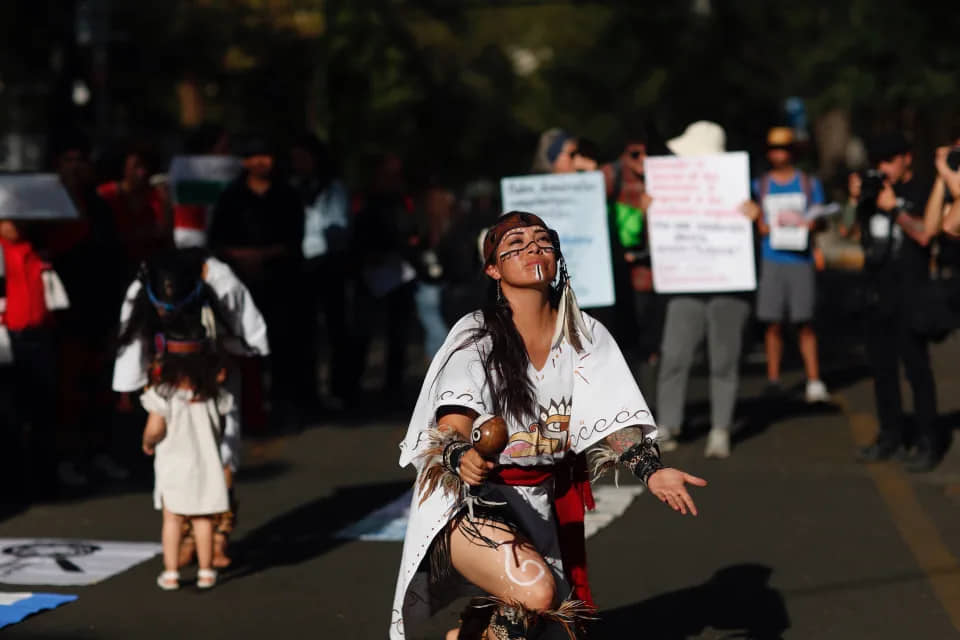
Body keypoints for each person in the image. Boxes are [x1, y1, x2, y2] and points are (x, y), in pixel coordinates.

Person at [391, 211, 707, 639]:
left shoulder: (583, 332)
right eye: (515, 245)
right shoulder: (476, 333)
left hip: (542, 500)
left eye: (542, 241)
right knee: (533, 591)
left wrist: (653, 469)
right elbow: (452, 420)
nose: (532, 249)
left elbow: (613, 415)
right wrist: (461, 456)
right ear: (493, 268)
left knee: (548, 629)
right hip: (471, 502)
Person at [114, 247, 269, 567]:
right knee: (175, 457)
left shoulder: (222, 282)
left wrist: (220, 363)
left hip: (215, 377)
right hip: (165, 379)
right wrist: (141, 395)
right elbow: (132, 349)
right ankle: (184, 532)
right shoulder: (140, 288)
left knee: (221, 453)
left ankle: (217, 535)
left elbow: (249, 340)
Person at [132, 257, 232, 591]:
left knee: (173, 518)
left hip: (175, 464)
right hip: (205, 463)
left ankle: (172, 572)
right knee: (203, 518)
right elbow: (222, 422)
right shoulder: (212, 393)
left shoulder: (164, 394)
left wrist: (147, 443)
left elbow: (155, 427)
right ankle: (206, 571)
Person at [655, 121, 752, 459]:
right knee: (674, 355)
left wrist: (753, 218)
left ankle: (720, 428)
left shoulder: (741, 187)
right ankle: (668, 423)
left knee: (724, 360)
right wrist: (655, 213)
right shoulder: (671, 188)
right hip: (685, 283)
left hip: (728, 285)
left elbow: (760, 233)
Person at [852, 133, 941, 471]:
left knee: (917, 371)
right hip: (876, 294)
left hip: (911, 293)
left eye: (889, 161)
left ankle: (927, 440)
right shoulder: (873, 192)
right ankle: (889, 436)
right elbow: (851, 233)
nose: (883, 169)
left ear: (906, 158)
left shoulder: (921, 190)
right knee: (882, 372)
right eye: (878, 163)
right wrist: (858, 201)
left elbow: (924, 234)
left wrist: (895, 210)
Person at [208, 136, 304, 428]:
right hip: (241, 283)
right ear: (245, 162)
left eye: (266, 155)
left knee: (283, 345)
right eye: (254, 156)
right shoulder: (231, 196)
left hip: (280, 281)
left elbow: (294, 239)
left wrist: (264, 255)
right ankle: (249, 410)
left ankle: (282, 405)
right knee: (243, 346)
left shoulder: (287, 195)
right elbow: (218, 240)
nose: (261, 162)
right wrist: (244, 257)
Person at [742, 127, 830, 403]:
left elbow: (822, 217)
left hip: (800, 259)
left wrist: (814, 224)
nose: (778, 154)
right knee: (772, 323)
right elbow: (747, 218)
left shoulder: (808, 183)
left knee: (805, 322)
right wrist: (758, 222)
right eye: (774, 149)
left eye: (783, 149)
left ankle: (814, 379)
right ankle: (773, 378)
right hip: (772, 259)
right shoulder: (760, 185)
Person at [601, 126, 662, 396]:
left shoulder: (666, 177)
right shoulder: (608, 176)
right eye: (636, 153)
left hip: (659, 275)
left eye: (648, 153)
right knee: (627, 343)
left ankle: (651, 404)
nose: (643, 159)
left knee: (654, 343)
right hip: (621, 277)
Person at [289, 134, 349, 410]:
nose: (299, 163)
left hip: (328, 264)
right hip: (298, 265)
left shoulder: (332, 188)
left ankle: (340, 388)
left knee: (335, 329)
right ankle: (306, 391)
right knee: (304, 331)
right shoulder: (290, 188)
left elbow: (338, 226)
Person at [97, 146, 172, 271]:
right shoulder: (106, 194)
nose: (142, 172)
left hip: (151, 265)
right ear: (124, 168)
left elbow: (165, 233)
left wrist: (166, 202)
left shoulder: (156, 196)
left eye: (145, 166)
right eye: (136, 166)